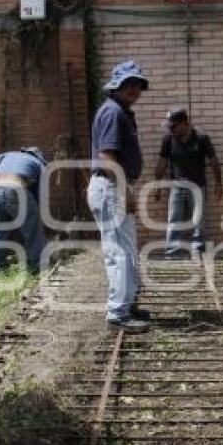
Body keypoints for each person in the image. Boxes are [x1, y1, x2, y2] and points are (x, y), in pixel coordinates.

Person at [87, 60, 151, 330]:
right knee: (118, 253)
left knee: (126, 250)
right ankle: (118, 312)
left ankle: (127, 304)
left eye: (137, 84)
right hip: (114, 186)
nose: (134, 89)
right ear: (117, 86)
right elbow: (107, 157)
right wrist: (125, 191)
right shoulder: (114, 112)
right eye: (129, 84)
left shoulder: (119, 110)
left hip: (113, 185)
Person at [154, 108, 223, 257]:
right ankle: (172, 251)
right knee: (174, 219)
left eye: (173, 126)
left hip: (198, 185)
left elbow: (213, 161)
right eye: (169, 127)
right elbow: (162, 163)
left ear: (185, 124)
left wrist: (219, 184)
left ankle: (198, 250)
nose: (170, 129)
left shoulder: (201, 138)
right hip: (177, 185)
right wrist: (157, 186)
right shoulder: (168, 139)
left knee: (198, 220)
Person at [0, 147, 48, 273]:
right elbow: (39, 192)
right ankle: (38, 266)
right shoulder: (38, 164)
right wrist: (35, 210)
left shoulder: (7, 154)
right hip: (18, 186)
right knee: (33, 231)